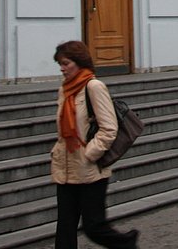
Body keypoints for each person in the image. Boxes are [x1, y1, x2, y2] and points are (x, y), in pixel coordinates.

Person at [52, 40, 139, 249]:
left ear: (79, 62)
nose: (62, 69)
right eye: (60, 64)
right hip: (65, 168)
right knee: (65, 226)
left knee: (94, 226)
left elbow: (109, 128)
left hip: (91, 170)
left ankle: (127, 243)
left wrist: (90, 154)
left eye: (66, 63)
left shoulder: (94, 86)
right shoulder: (65, 90)